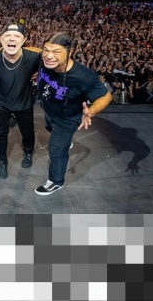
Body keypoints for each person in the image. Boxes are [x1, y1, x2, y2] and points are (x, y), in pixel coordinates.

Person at [35, 32, 112, 196]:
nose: (49, 56)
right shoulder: (44, 59)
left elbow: (106, 96)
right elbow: (33, 50)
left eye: (56, 52)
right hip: (49, 109)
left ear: (69, 52)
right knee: (49, 128)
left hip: (67, 118)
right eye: (46, 50)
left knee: (56, 150)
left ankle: (56, 181)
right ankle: (65, 141)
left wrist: (91, 111)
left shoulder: (83, 76)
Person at [0, 23, 41, 179]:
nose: (11, 39)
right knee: (0, 134)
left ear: (23, 40)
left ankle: (28, 153)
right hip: (1, 104)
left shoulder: (33, 57)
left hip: (24, 103)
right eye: (7, 36)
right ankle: (3, 161)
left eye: (16, 36)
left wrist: (39, 74)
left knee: (27, 132)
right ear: (1, 39)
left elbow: (50, 63)